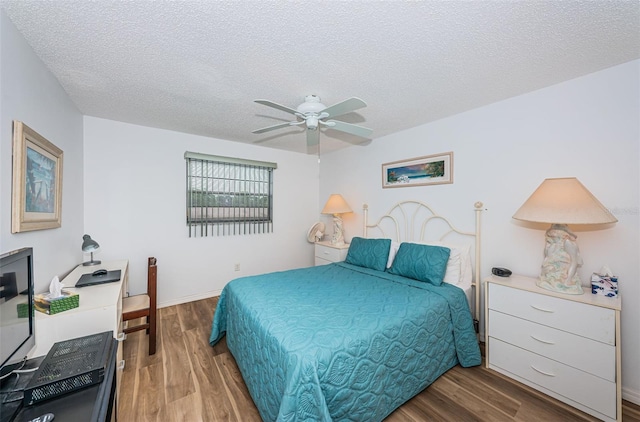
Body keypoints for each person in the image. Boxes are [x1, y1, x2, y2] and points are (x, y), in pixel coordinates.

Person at [538, 224, 584, 294]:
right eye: (551, 235)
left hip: (564, 273)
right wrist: (549, 244)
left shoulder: (568, 243)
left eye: (554, 235)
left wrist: (569, 279)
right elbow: (547, 258)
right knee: (548, 270)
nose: (552, 237)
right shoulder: (553, 243)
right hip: (552, 271)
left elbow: (574, 262)